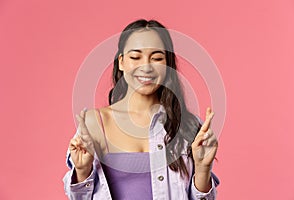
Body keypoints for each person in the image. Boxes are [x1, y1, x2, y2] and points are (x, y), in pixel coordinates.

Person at [63, 19, 220, 200]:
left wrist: (203, 169)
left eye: (157, 58)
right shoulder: (95, 123)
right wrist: (82, 171)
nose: (146, 67)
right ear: (121, 62)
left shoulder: (189, 126)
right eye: (135, 57)